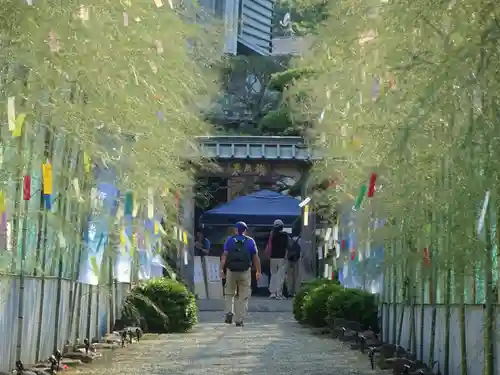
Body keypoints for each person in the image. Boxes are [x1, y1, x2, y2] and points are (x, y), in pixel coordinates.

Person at [220, 221, 261, 326]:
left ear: (236, 229)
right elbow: (255, 257)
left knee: (229, 292)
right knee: (243, 295)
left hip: (231, 270)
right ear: (245, 230)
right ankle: (239, 319)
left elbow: (224, 255)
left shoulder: (229, 240)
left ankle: (229, 311)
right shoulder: (250, 241)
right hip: (245, 271)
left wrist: (221, 269)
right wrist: (258, 271)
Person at [267, 219, 290, 299]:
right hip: (282, 257)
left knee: (273, 274)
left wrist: (269, 255)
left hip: (273, 257)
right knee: (280, 276)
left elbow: (269, 245)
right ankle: (279, 293)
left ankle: (272, 292)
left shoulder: (272, 234)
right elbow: (287, 246)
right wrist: (286, 256)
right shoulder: (285, 235)